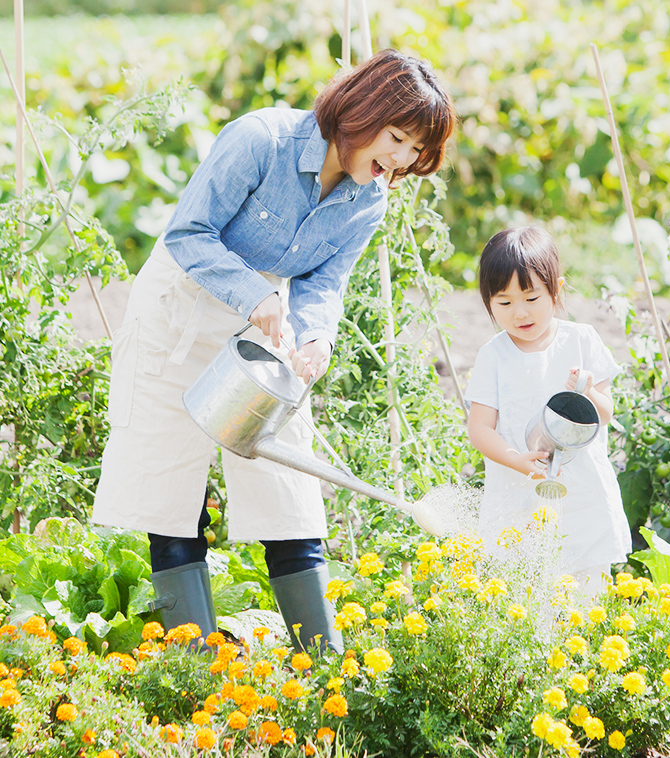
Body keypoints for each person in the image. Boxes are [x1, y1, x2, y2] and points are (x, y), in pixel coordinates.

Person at [92, 49, 456, 652]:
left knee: (287, 488)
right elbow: (188, 232)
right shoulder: (261, 140)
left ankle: (325, 668)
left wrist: (316, 336)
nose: (402, 161)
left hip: (266, 323)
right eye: (397, 138)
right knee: (170, 496)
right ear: (360, 111)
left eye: (416, 152)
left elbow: (324, 282)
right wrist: (250, 292)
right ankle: (198, 675)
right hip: (181, 306)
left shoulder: (371, 198)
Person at [465, 226, 631, 599]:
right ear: (487, 302)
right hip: (518, 495)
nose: (519, 312)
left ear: (555, 289)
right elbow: (480, 428)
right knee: (523, 600)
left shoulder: (581, 339)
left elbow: (605, 412)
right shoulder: (493, 355)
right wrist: (518, 461)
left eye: (531, 297)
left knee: (587, 601)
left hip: (581, 494)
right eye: (504, 303)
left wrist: (587, 389)